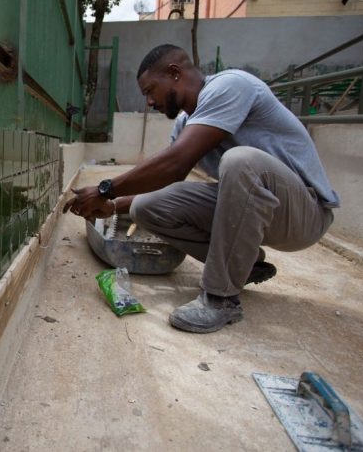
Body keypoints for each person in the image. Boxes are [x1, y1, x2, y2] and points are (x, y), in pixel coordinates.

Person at [65, 44, 339, 333]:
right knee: (146, 207)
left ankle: (221, 298)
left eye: (149, 91)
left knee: (240, 161)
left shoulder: (230, 86)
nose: (148, 102)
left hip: (303, 215)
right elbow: (167, 178)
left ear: (174, 73)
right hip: (261, 208)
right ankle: (246, 267)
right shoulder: (185, 123)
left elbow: (174, 163)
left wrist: (106, 189)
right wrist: (112, 207)